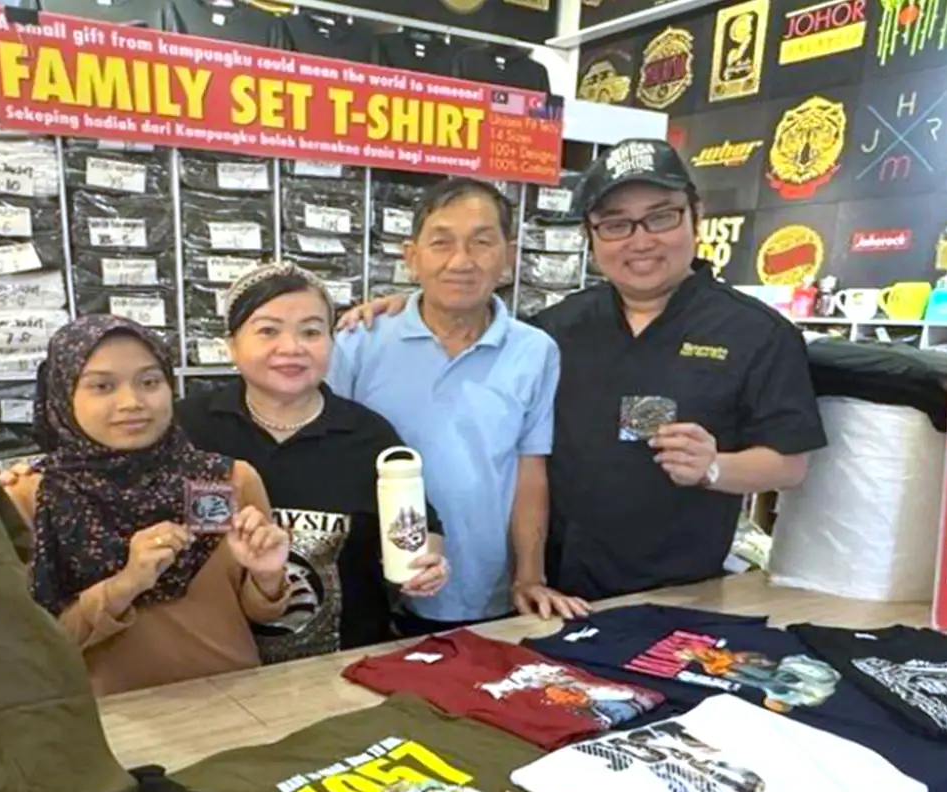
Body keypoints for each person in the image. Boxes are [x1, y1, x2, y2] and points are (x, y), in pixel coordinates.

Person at [340, 140, 826, 600]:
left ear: (695, 216)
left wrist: (714, 467)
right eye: (616, 225)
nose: (640, 241)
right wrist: (410, 304)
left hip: (679, 591)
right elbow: (473, 321)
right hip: (554, 590)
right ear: (591, 237)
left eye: (660, 217)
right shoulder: (558, 329)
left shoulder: (758, 333)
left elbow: (790, 465)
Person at [329, 177, 590, 633]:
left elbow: (529, 470)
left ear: (509, 256)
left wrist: (529, 576)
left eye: (482, 242)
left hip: (487, 589)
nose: (461, 261)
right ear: (412, 257)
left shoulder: (535, 351)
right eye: (441, 243)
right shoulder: (360, 342)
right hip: (379, 592)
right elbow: (329, 456)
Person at [174, 261, 451, 662]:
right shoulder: (189, 429)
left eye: (311, 331)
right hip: (217, 663)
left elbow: (423, 528)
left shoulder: (367, 435)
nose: (291, 348)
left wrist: (427, 563)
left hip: (345, 662)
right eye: (268, 331)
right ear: (231, 345)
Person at [10, 314, 293, 696]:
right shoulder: (33, 496)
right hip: (112, 715)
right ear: (61, 395)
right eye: (102, 386)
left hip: (236, 701)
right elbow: (34, 644)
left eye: (149, 382)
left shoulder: (225, 479)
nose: (132, 402)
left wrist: (267, 577)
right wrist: (126, 584)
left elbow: (260, 613)